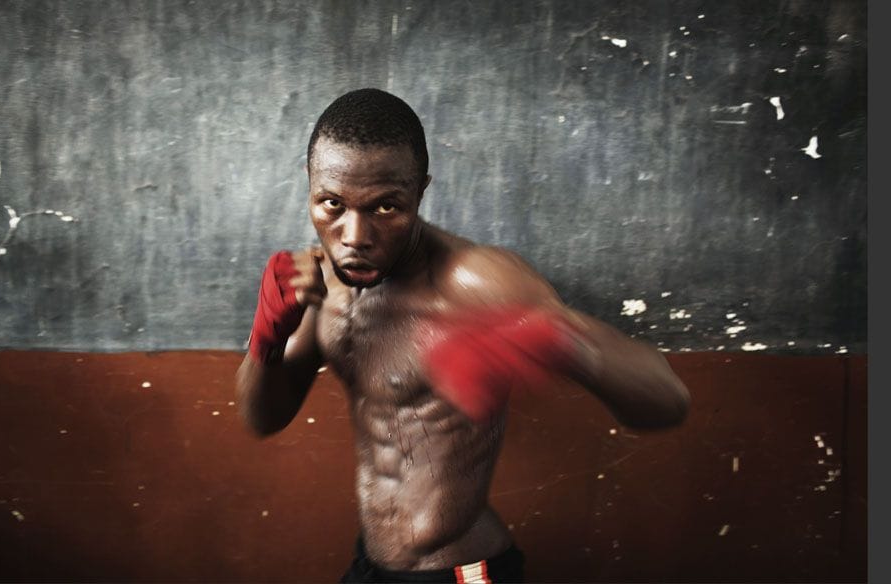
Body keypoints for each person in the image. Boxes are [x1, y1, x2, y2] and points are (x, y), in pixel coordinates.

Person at [235, 88, 691, 583]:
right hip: (371, 565)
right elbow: (264, 419)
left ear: (421, 191)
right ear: (310, 186)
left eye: (386, 207)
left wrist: (562, 339)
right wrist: (266, 339)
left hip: (459, 571)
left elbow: (668, 402)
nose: (355, 235)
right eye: (332, 205)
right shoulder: (320, 281)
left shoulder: (473, 281)